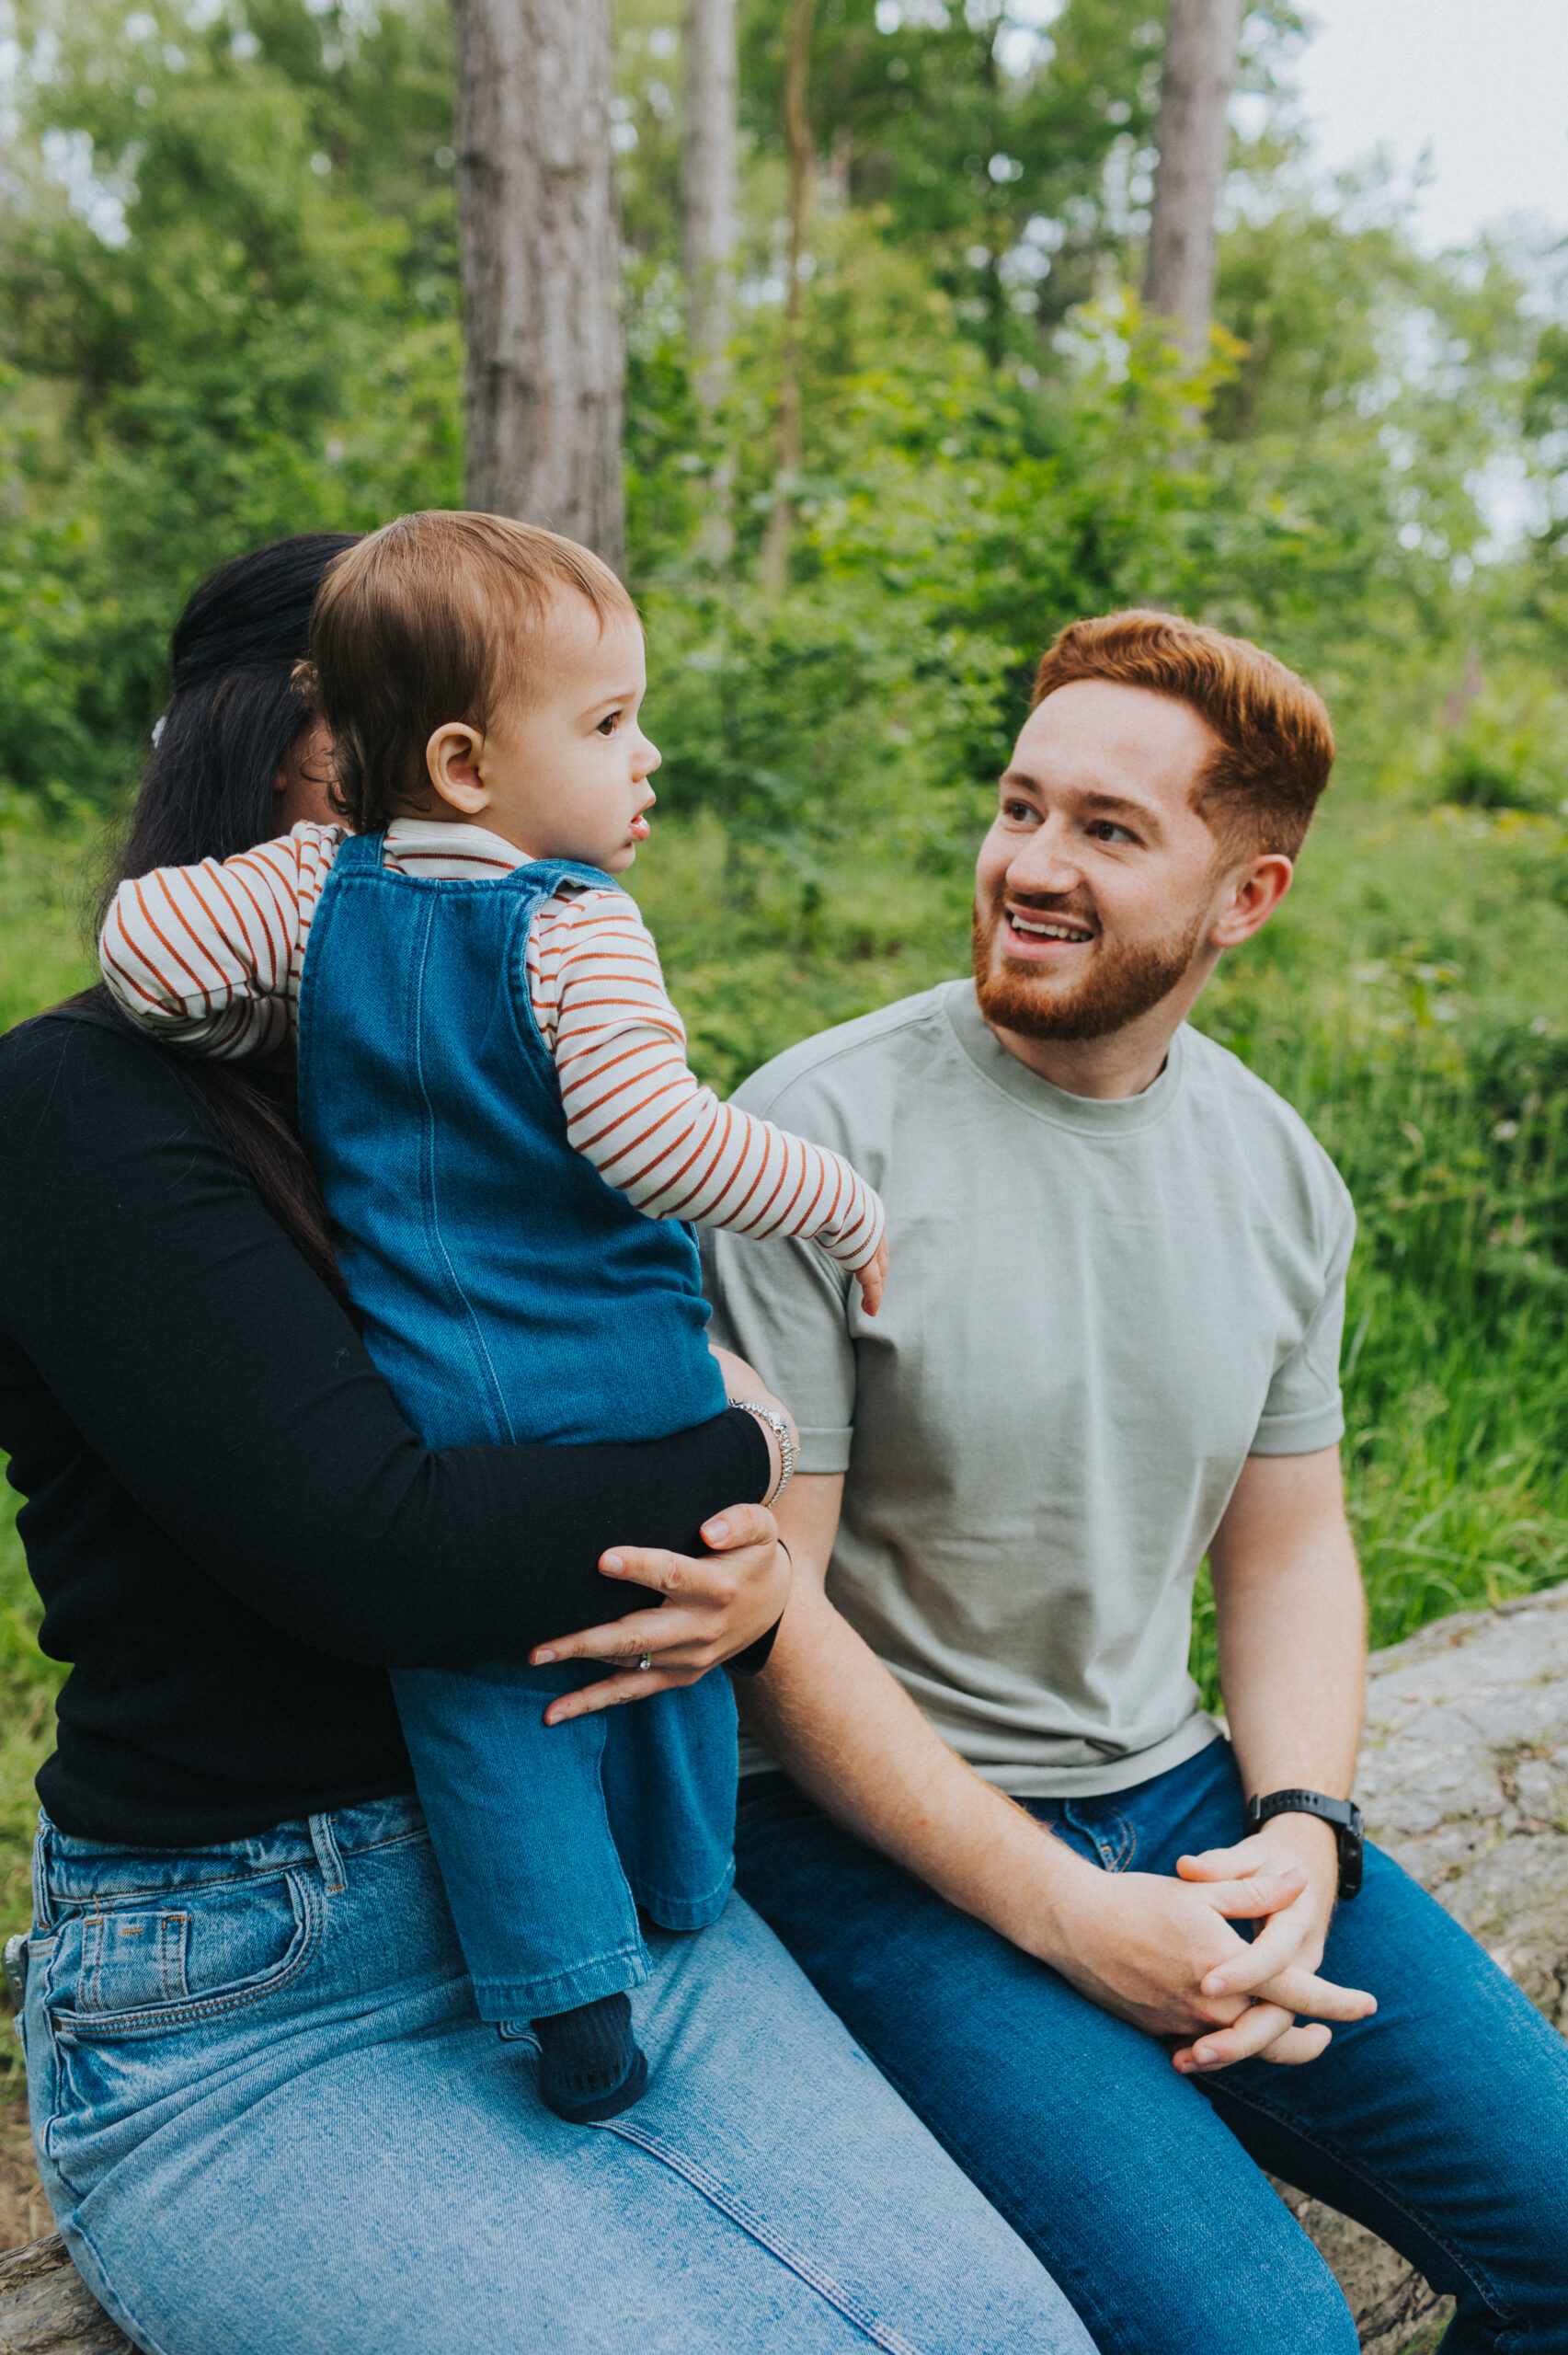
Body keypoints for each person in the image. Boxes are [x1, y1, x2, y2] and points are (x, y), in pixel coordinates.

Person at [2, 532, 1097, 2354]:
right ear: (309, 755)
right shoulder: (76, 1106)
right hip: (257, 1994)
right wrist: (722, 1461)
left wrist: (724, 1517)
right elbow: (391, 1547)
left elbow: (615, 1341)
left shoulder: (489, 1050)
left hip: (604, 1872)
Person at [707, 609, 1568, 2355]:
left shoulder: (1272, 1167)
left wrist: (1301, 1830)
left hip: (1177, 1811)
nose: (1030, 865)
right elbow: (764, 1623)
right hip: (858, 1845)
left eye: (1106, 830)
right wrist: (1065, 1915)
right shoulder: (806, 1141)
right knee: (1257, 2336)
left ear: (1242, 899)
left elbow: (1287, 1553)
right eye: (1019, 808)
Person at [97, 511, 887, 2123]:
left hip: (438, 1378)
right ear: (463, 761)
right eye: (608, 726)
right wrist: (835, 1199)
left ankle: (570, 2004)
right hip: (611, 1357)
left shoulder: (319, 897)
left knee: (484, 1703)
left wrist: (274, 916)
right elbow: (649, 1138)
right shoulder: (575, 920)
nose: (644, 757)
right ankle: (678, 1898)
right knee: (646, 1657)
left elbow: (142, 958)